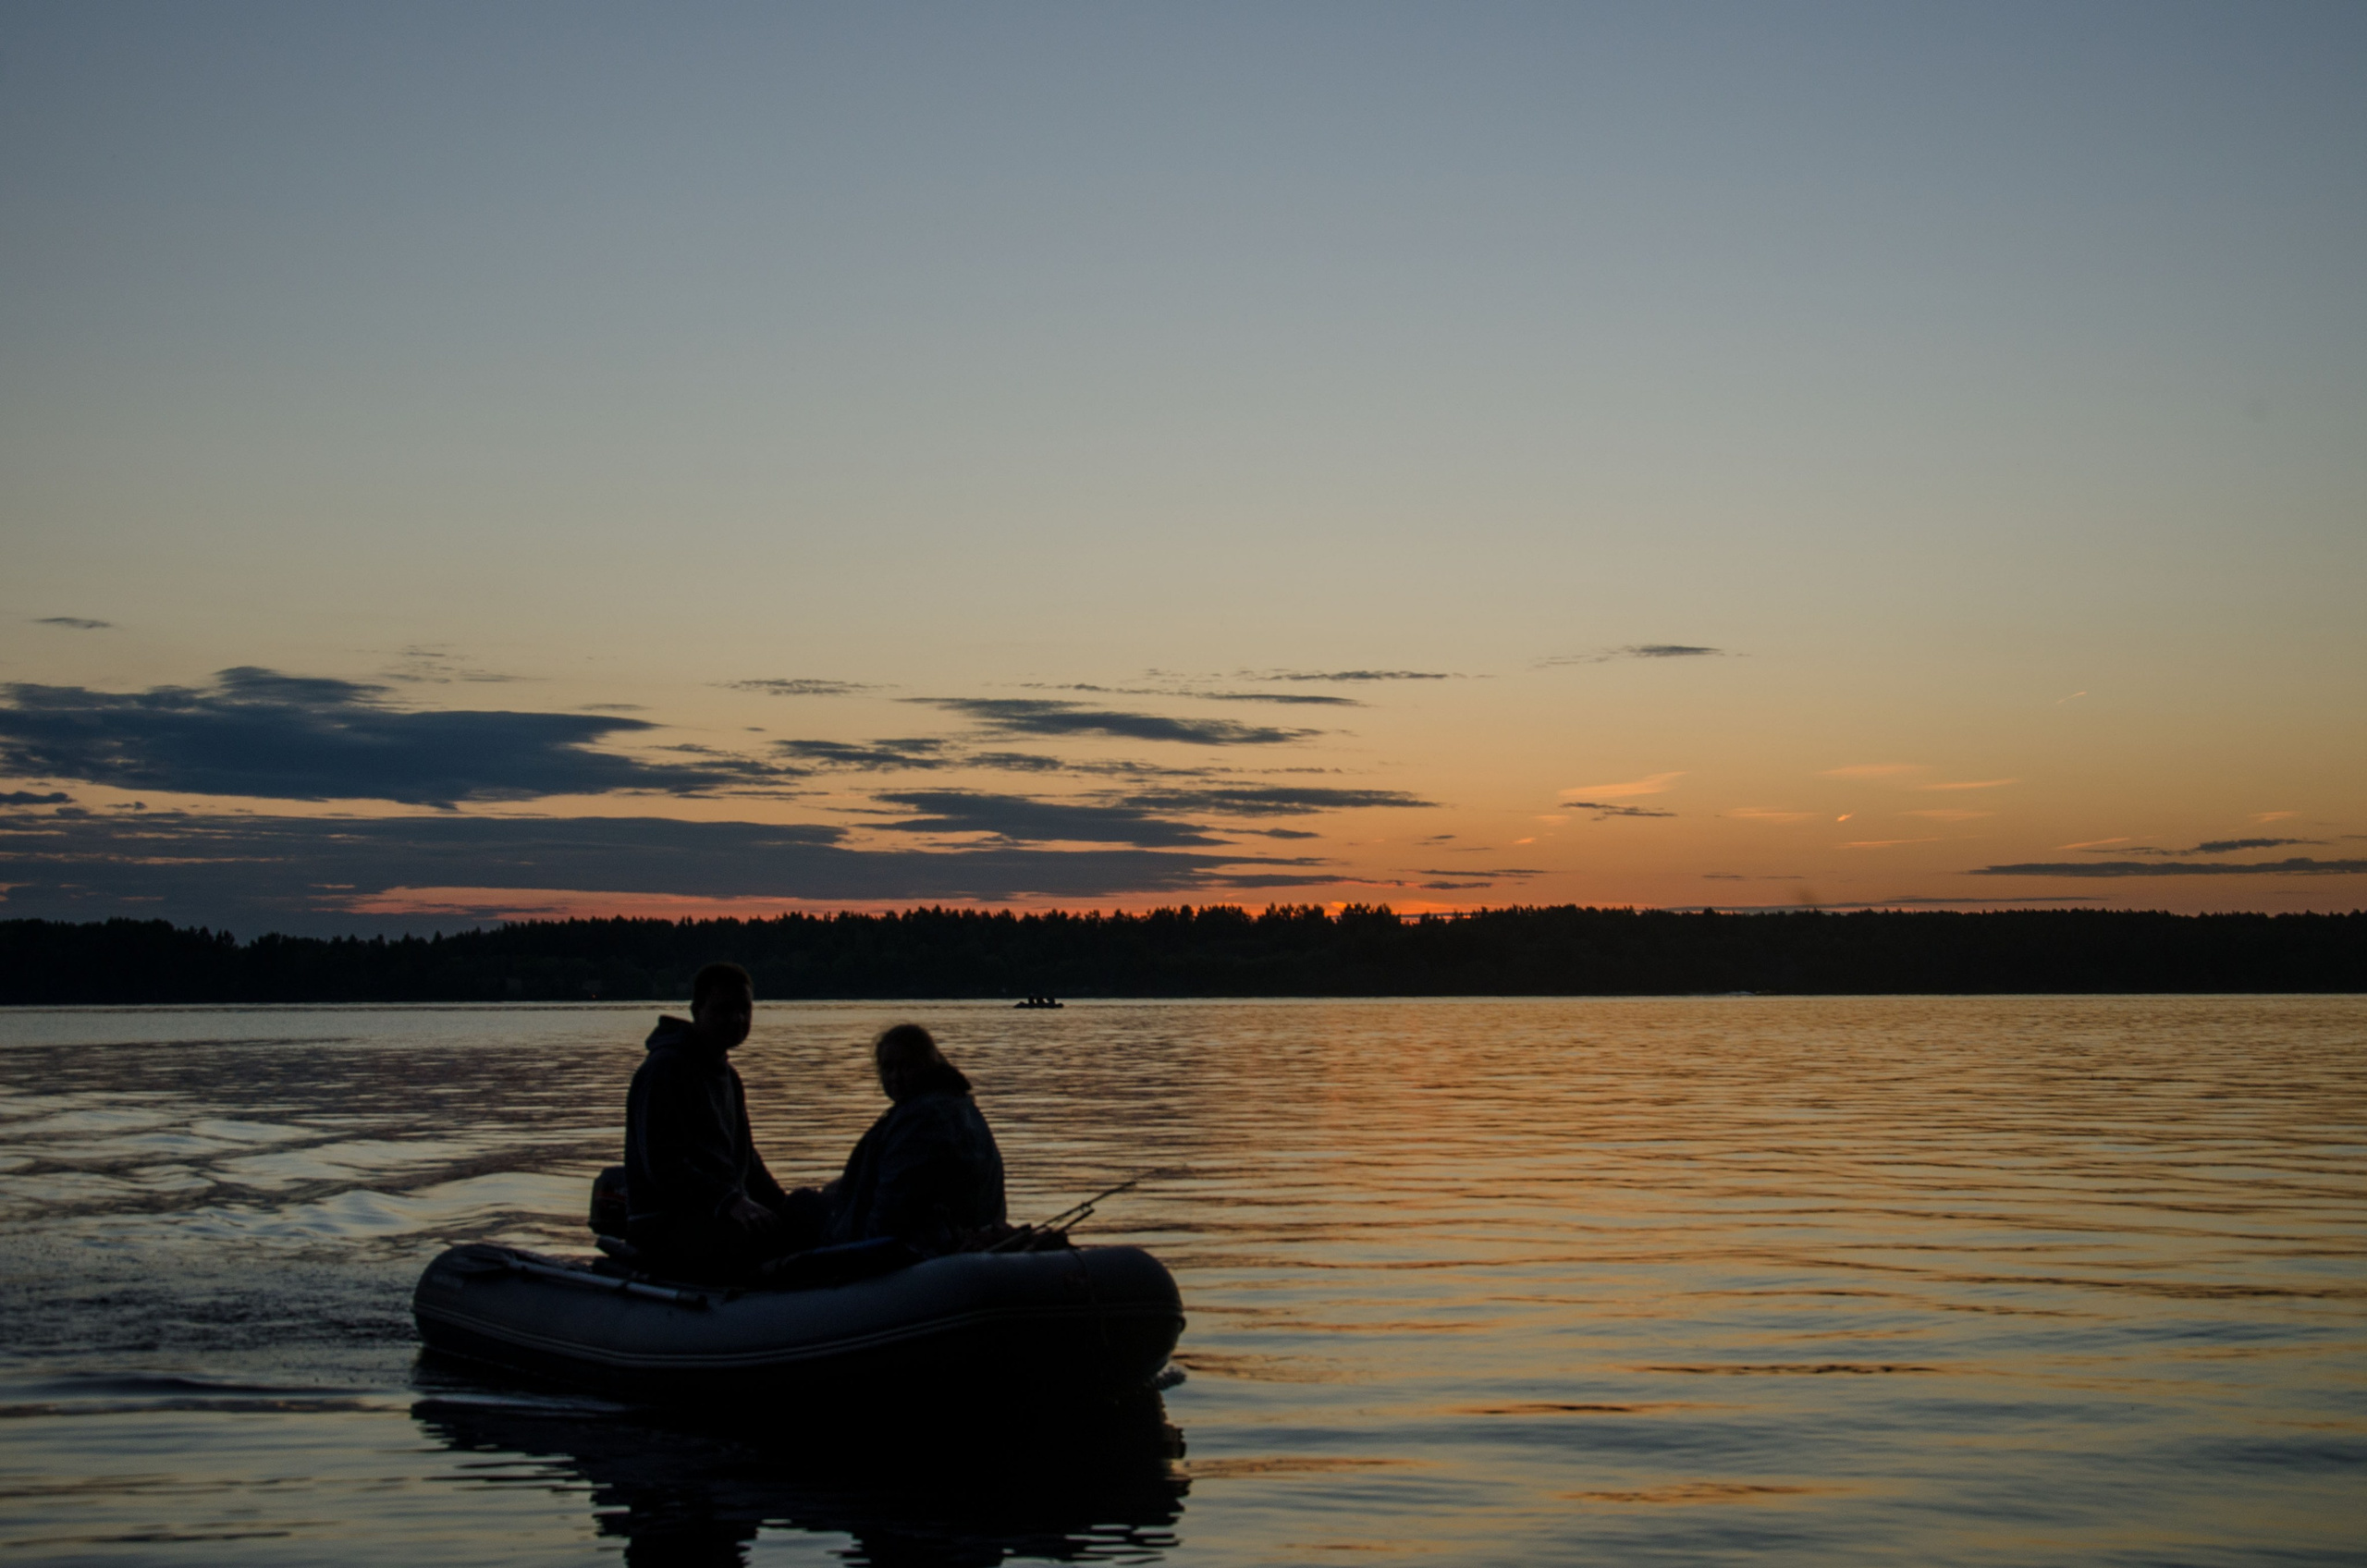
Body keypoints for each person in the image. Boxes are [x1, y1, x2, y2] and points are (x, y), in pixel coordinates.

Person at [623, 962, 822, 1278]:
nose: (737, 1019)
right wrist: (730, 1202)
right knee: (764, 1241)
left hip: (720, 1215)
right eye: (724, 1009)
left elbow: (747, 1164)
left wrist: (782, 1207)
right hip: (666, 1224)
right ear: (696, 1010)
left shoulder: (728, 1077)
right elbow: (663, 1165)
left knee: (808, 1209)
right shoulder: (664, 1070)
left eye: (744, 1009)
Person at [824, 1023, 1007, 1255]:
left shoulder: (921, 1121)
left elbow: (891, 1212)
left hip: (918, 1247)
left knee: (800, 1204)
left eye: (906, 1066)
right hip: (955, 1233)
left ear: (927, 1066)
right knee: (829, 1192)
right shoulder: (960, 1105)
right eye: (888, 1068)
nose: (895, 1077)